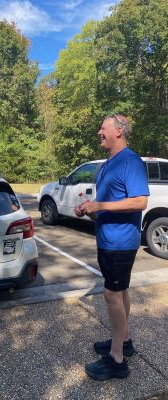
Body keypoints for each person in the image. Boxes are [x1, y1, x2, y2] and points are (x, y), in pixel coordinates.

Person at [75, 115, 149, 380]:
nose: (98, 132)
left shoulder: (130, 160)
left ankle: (117, 360)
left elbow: (140, 201)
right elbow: (106, 203)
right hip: (106, 238)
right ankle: (124, 340)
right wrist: (90, 210)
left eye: (103, 128)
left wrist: (100, 206)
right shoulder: (107, 165)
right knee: (121, 291)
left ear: (119, 131)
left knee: (111, 294)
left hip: (121, 242)